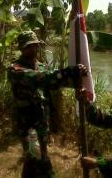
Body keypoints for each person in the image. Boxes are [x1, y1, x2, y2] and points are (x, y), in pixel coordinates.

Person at [8, 30, 88, 178]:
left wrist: (77, 77)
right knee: (40, 160)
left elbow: (55, 82)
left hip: (42, 122)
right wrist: (66, 72)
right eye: (29, 46)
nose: (33, 48)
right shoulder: (15, 69)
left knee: (33, 160)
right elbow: (40, 78)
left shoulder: (42, 66)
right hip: (27, 124)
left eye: (35, 45)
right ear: (21, 48)